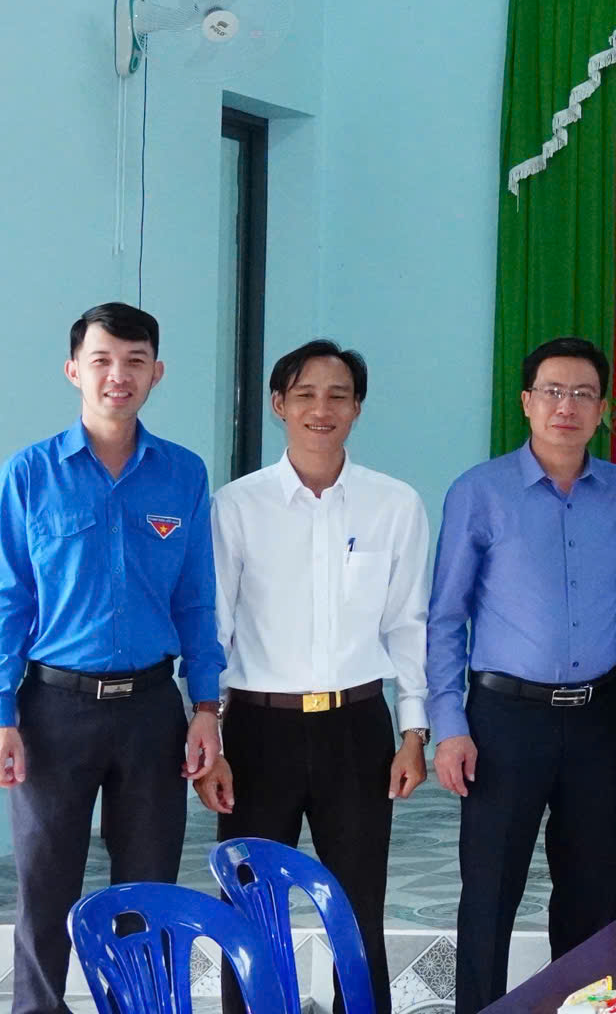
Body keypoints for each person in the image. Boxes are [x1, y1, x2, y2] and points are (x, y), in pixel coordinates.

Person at [194, 341, 433, 1014]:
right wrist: (210, 733)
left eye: (337, 395)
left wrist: (413, 731)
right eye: (304, 395)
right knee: (250, 910)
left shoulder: (395, 505)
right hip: (257, 731)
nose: (320, 409)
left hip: (357, 729)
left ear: (357, 408)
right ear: (279, 405)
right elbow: (213, 629)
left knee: (357, 912)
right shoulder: (236, 506)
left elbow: (408, 624)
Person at [0, 303, 224, 1014]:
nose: (117, 375)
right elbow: (9, 599)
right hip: (53, 711)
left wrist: (207, 707)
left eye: (135, 361)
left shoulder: (183, 474)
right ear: (74, 370)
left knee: (148, 891)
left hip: (153, 711)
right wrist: (2, 713)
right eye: (101, 360)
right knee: (46, 890)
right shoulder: (30, 473)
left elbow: (196, 599)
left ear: (157, 372)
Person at [427, 336, 616, 1014]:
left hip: (599, 717)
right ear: (527, 402)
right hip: (505, 720)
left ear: (602, 410)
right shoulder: (480, 491)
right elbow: (445, 617)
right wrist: (449, 724)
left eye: (583, 394)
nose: (567, 406)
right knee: (489, 892)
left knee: (591, 892)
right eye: (553, 392)